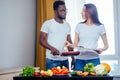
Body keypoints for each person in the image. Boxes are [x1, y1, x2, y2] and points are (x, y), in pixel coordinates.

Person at [65, 3, 108, 71]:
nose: (81, 13)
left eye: (83, 10)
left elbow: (106, 45)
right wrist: (69, 44)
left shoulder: (100, 27)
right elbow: (76, 45)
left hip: (94, 60)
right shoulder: (79, 26)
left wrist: (102, 49)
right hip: (80, 60)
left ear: (90, 12)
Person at [39, 1, 72, 70]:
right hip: (52, 61)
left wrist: (73, 58)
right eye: (62, 10)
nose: (65, 12)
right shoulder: (48, 23)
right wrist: (52, 48)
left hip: (65, 60)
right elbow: (41, 40)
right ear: (55, 11)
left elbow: (69, 42)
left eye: (65, 10)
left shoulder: (67, 25)